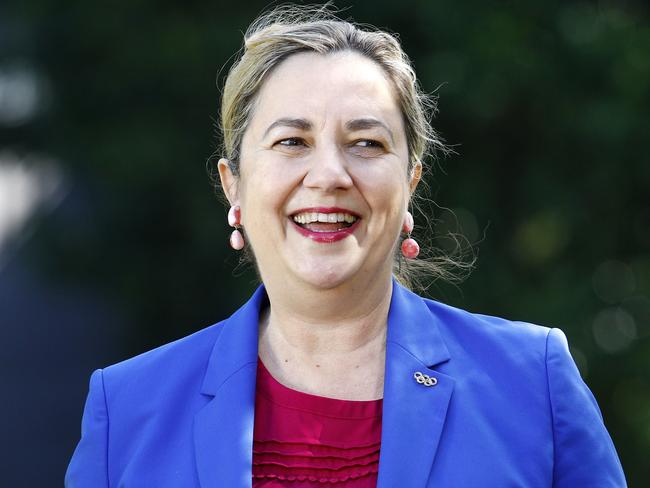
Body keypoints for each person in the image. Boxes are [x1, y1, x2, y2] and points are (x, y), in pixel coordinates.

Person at [65, 5, 627, 487]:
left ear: (409, 184)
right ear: (233, 184)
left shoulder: (534, 383)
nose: (329, 173)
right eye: (292, 141)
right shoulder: (128, 408)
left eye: (365, 142)